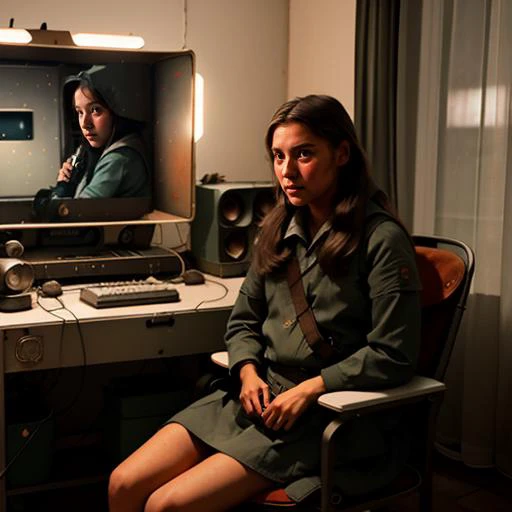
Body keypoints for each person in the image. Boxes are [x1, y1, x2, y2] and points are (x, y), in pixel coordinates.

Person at [108, 94, 421, 512]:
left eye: (304, 154)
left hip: (327, 415)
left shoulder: (382, 240)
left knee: (166, 506)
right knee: (122, 484)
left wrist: (314, 387)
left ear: (342, 153)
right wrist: (247, 371)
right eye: (278, 156)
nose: (287, 171)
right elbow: (242, 322)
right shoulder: (276, 228)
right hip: (260, 398)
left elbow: (394, 354)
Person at [53, 70, 150, 199]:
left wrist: (61, 188)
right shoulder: (99, 150)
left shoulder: (119, 159)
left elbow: (77, 214)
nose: (85, 124)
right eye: (80, 112)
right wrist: (74, 179)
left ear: (115, 112)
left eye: (95, 110)